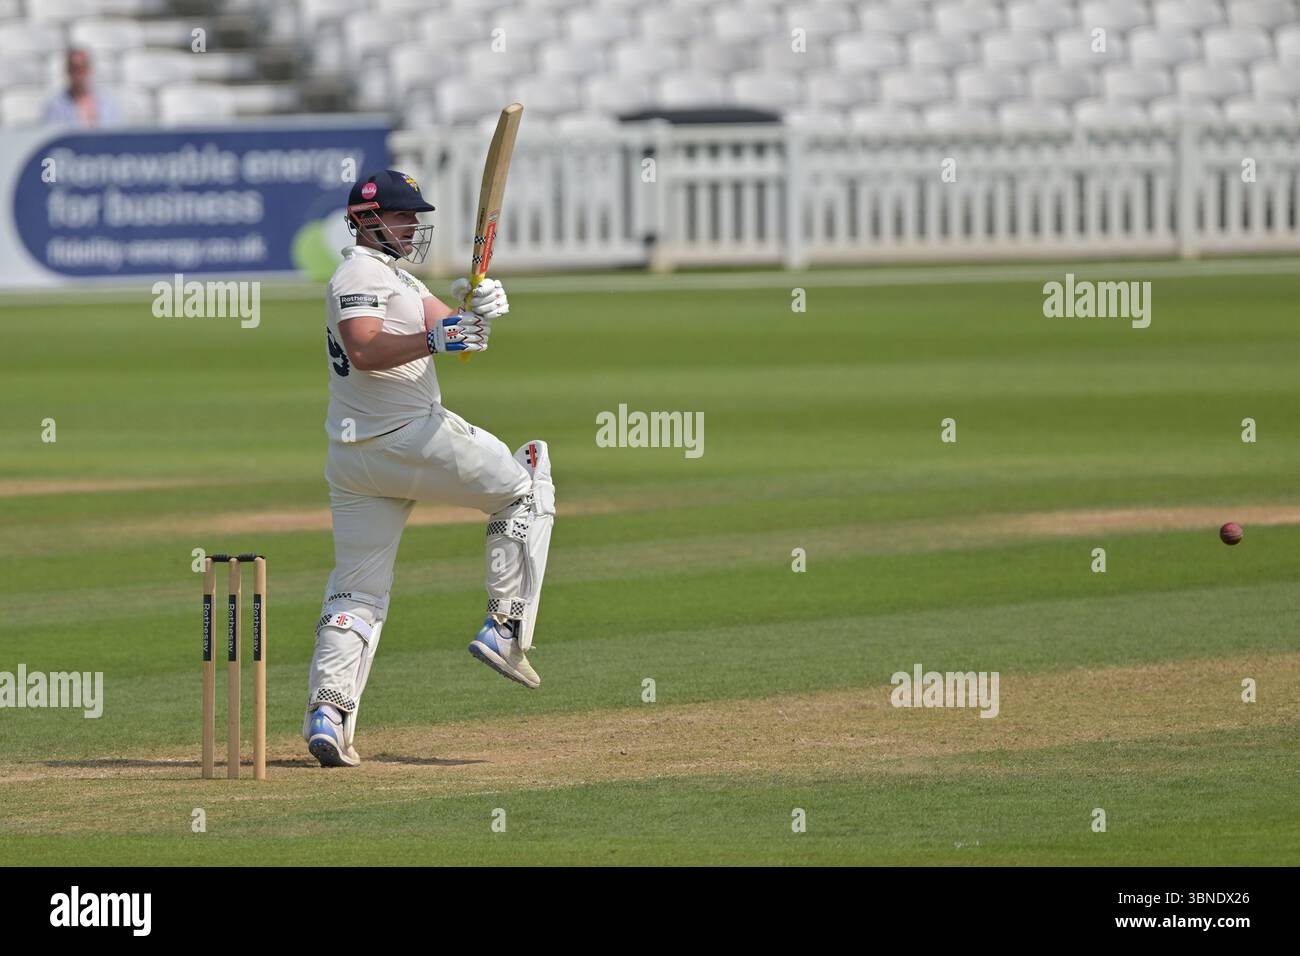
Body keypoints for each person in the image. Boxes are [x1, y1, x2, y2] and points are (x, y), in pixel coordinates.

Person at [303, 169, 555, 768]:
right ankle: (504, 625)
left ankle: (329, 713)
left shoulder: (394, 277)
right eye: (402, 215)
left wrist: (482, 307)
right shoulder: (357, 274)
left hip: (356, 460)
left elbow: (457, 334)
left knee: (356, 587)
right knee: (526, 484)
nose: (413, 225)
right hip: (410, 439)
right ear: (368, 220)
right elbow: (365, 348)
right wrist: (439, 337)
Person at [44, 48, 121, 128]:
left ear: (89, 69)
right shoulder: (55, 105)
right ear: (67, 70)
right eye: (75, 69)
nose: (79, 74)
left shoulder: (108, 103)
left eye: (82, 68)